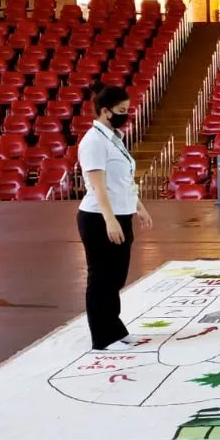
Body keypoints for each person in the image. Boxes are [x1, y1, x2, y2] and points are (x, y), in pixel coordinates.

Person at [77, 85, 153, 350]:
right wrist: (109, 220)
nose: (126, 115)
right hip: (98, 218)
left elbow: (124, 181)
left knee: (116, 278)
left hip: (120, 214)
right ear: (106, 111)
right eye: (121, 111)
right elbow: (99, 186)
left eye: (127, 110)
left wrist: (138, 206)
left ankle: (115, 328)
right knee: (101, 278)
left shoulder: (114, 138)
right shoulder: (93, 142)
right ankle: (103, 337)